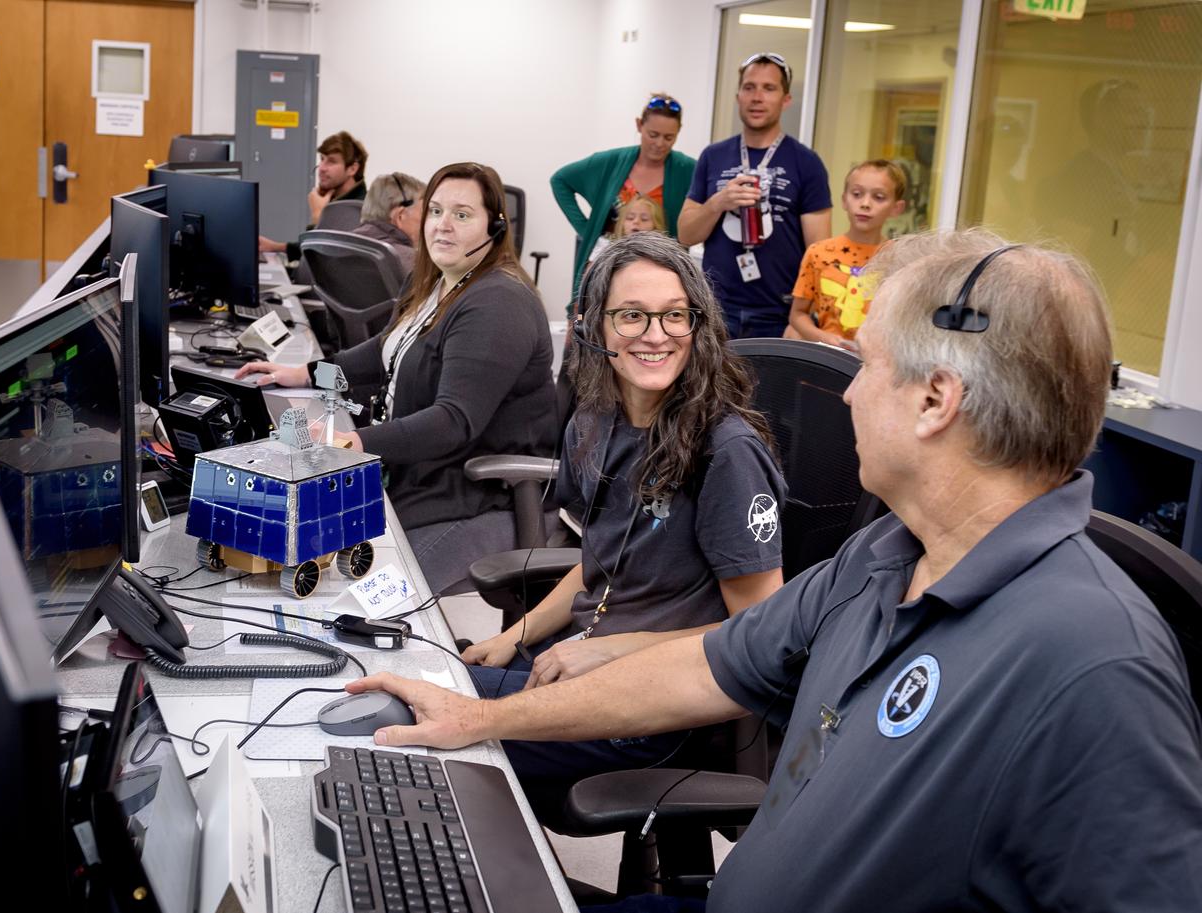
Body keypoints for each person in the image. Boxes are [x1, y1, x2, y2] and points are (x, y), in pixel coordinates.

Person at [344, 229, 1202, 911]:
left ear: (937, 400)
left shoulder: (1096, 664)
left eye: (868, 365)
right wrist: (477, 716)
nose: (849, 393)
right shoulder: (882, 554)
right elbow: (706, 663)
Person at [461, 231, 786, 800]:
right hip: (566, 664)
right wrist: (517, 634)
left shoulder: (726, 453)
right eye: (632, 315)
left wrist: (612, 648)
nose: (655, 335)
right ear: (594, 325)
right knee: (425, 686)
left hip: (648, 705)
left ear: (697, 324)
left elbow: (761, 633)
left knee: (430, 722)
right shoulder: (594, 420)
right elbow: (598, 563)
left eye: (673, 316)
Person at [238, 163, 557, 594]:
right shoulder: (432, 283)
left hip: (471, 497)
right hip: (414, 476)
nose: (443, 225)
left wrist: (357, 442)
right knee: (291, 541)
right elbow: (384, 352)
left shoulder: (497, 303)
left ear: (495, 227)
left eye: (462, 215)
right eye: (436, 211)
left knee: (358, 593)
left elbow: (453, 421)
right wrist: (306, 373)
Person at [678, 53, 832, 339]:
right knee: (712, 386)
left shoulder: (806, 162)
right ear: (738, 96)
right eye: (749, 87)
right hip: (716, 308)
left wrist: (801, 318)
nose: (757, 97)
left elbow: (819, 255)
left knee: (770, 387)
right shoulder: (714, 156)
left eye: (768, 88)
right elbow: (686, 234)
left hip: (778, 314)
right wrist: (718, 203)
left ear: (786, 99)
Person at [551, 94, 697, 306]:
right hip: (607, 270)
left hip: (657, 276)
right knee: (592, 324)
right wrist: (587, 230)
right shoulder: (611, 162)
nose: (659, 144)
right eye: (653, 134)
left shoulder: (687, 169)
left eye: (668, 138)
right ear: (639, 125)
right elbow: (560, 180)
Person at [787, 160, 907, 347]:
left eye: (879, 197)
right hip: (829, 360)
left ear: (896, 208)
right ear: (844, 199)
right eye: (857, 194)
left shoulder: (901, 259)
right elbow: (797, 314)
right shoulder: (819, 253)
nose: (865, 204)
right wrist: (822, 337)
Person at [258, 130, 368, 260]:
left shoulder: (357, 211)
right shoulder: (339, 201)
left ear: (352, 169)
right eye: (322, 159)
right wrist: (276, 247)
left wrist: (317, 216)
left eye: (331, 161)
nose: (321, 168)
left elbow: (318, 261)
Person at [349, 171, 426, 273]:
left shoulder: (338, 244)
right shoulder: (413, 262)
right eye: (424, 213)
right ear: (400, 216)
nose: (428, 222)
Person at [585, 192, 667, 266]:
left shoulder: (662, 251)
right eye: (630, 218)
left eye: (644, 219)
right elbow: (591, 272)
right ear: (622, 224)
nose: (636, 221)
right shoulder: (606, 244)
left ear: (656, 226)